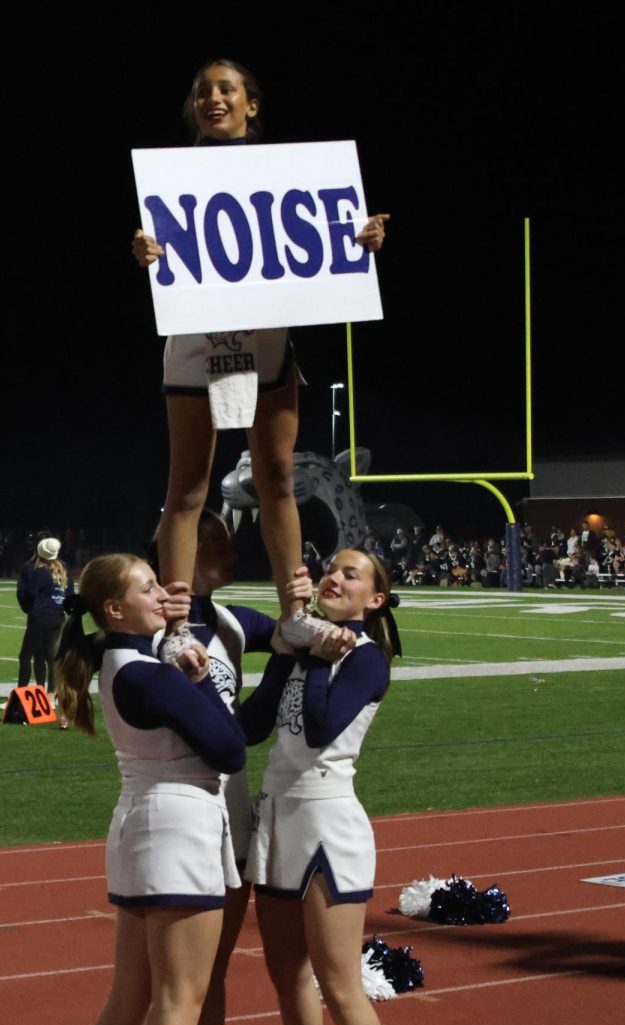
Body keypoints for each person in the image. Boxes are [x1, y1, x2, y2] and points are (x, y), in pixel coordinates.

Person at [131, 58, 389, 652]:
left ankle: (294, 610)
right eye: (202, 92)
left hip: (266, 341)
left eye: (227, 89)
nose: (213, 98)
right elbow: (169, 253)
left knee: (276, 474)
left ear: (252, 104)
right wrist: (145, 249)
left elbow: (320, 244)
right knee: (188, 488)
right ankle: (175, 624)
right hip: (197, 338)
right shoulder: (172, 178)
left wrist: (361, 238)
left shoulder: (290, 172)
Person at [54, 554, 250, 1025]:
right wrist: (199, 676)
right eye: (147, 587)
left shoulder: (122, 663)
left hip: (141, 824)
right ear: (115, 610)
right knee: (178, 1001)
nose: (162, 594)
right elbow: (228, 746)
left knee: (131, 994)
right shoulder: (147, 673)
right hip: (178, 829)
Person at [237, 548, 404, 1025]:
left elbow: (317, 728)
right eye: (331, 568)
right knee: (287, 974)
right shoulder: (311, 648)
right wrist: (289, 650)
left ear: (374, 600)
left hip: (328, 826)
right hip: (277, 820)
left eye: (351, 574)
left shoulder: (365, 660)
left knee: (339, 983)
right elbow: (253, 727)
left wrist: (313, 659)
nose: (334, 577)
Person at [167, 510, 277, 1025]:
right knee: (173, 980)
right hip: (181, 814)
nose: (233, 550)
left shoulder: (230, 621)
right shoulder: (157, 627)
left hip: (229, 812)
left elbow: (246, 726)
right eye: (218, 541)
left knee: (215, 972)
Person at [15, 537, 74, 700]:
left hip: (41, 617)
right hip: (58, 617)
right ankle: (50, 695)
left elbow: (30, 593)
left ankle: (21, 695)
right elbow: (70, 596)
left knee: (25, 656)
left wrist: (30, 609)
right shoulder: (64, 570)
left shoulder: (40, 571)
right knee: (51, 657)